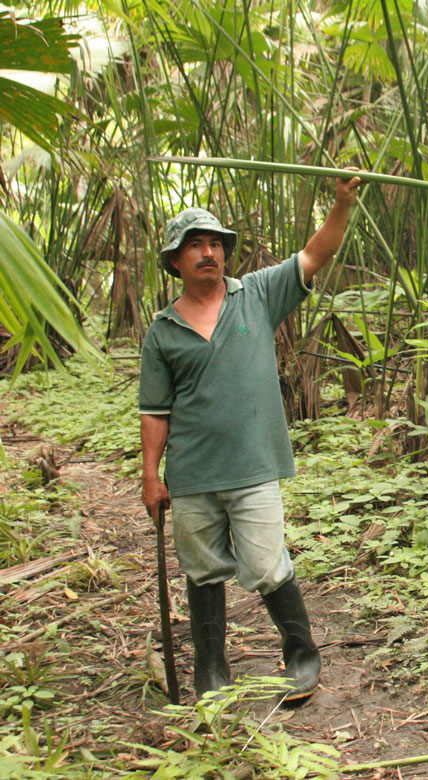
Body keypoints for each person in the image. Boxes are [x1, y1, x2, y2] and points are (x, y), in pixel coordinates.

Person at [139, 172, 362, 702]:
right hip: (192, 471)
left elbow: (315, 255)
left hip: (254, 464)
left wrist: (341, 205)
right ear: (175, 261)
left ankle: (302, 655)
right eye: (195, 246)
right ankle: (211, 669)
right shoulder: (162, 330)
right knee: (202, 570)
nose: (208, 253)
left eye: (215, 243)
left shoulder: (257, 294)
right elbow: (154, 411)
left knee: (266, 563)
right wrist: (150, 475)